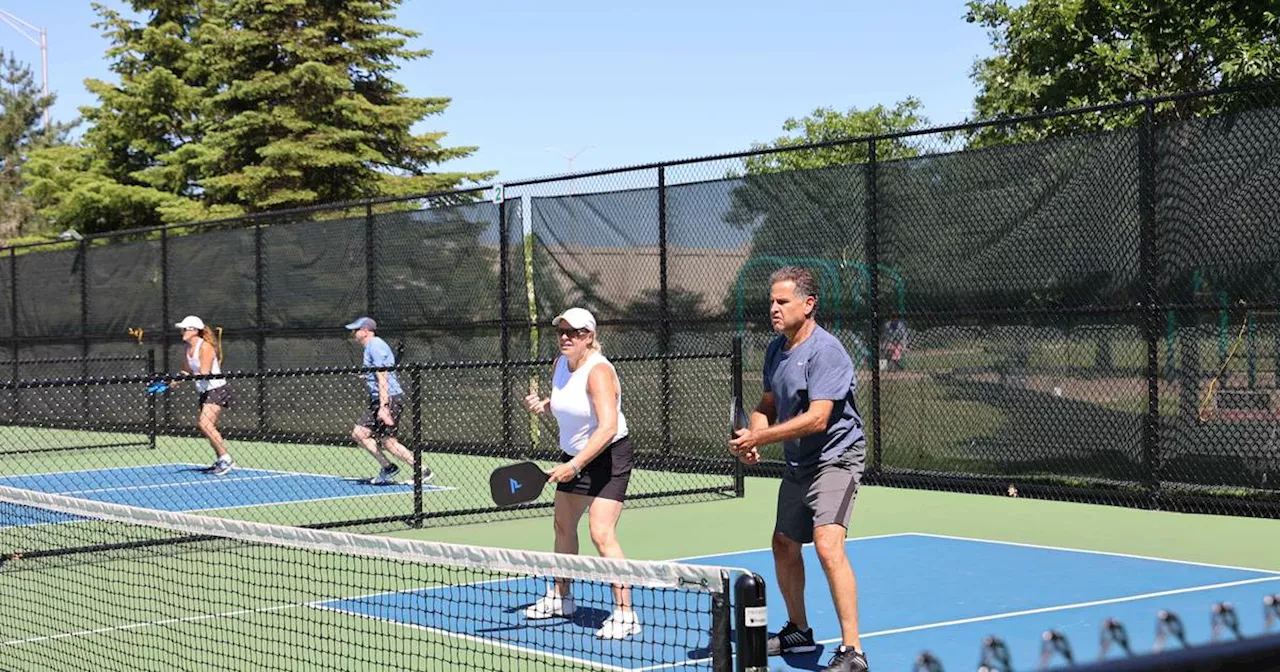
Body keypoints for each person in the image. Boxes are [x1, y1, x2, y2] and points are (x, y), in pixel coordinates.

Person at [729, 267, 870, 672]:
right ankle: (798, 629)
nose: (773, 308)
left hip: (836, 459)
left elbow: (818, 418)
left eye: (782, 301)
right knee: (783, 544)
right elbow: (766, 406)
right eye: (771, 301)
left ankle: (853, 652)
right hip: (798, 463)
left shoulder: (827, 352)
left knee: (827, 544)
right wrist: (753, 436)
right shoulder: (777, 349)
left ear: (808, 305)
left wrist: (763, 439)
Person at [521, 307, 640, 640]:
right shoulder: (560, 363)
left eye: (573, 332)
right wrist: (546, 405)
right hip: (574, 456)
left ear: (589, 336)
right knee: (562, 526)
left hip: (608, 458)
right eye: (561, 331)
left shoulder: (599, 371)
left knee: (601, 533)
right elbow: (570, 401)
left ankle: (625, 613)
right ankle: (562, 597)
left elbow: (607, 427)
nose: (565, 337)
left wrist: (575, 466)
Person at [346, 317, 433, 484]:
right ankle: (388, 467)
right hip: (379, 399)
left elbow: (382, 375)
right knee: (360, 433)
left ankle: (422, 470)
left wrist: (384, 406)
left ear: (365, 331)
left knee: (389, 442)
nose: (353, 334)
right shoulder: (370, 347)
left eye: (355, 330)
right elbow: (379, 372)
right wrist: (367, 375)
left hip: (388, 398)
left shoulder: (375, 346)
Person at [174, 315, 235, 475]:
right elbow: (186, 371)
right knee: (207, 426)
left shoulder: (205, 347)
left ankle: (226, 459)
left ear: (194, 331)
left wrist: (188, 377)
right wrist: (175, 381)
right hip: (203, 391)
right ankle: (222, 459)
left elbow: (204, 373)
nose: (182, 332)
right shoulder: (188, 349)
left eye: (184, 329)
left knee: (204, 424)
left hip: (216, 389)